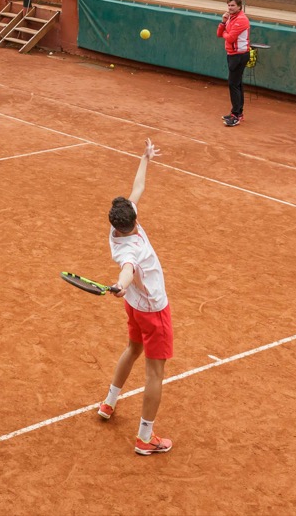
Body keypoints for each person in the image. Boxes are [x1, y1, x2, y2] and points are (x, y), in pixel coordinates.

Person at [98, 138, 174, 456]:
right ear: (132, 222)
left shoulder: (120, 228)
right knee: (155, 372)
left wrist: (145, 158)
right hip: (153, 309)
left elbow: (137, 187)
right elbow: (128, 269)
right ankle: (145, 437)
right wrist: (121, 282)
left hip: (133, 305)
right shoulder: (132, 248)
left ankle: (109, 402)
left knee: (132, 348)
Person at [218, 0, 251, 127]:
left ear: (239, 6)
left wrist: (226, 32)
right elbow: (219, 33)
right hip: (233, 55)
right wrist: (223, 22)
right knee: (237, 84)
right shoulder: (230, 17)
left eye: (232, 5)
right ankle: (238, 113)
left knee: (233, 84)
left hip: (239, 56)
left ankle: (235, 115)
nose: (230, 8)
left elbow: (230, 38)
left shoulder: (241, 20)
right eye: (229, 6)